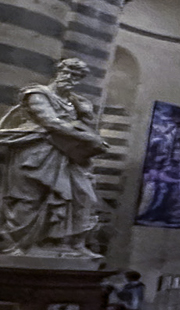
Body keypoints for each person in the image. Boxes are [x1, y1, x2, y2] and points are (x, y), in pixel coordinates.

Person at [0, 57, 108, 256]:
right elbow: (50, 122)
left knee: (84, 197)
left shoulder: (76, 102)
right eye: (66, 72)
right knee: (28, 201)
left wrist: (85, 115)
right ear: (58, 72)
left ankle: (71, 244)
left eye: (75, 75)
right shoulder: (37, 94)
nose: (69, 77)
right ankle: (15, 244)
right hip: (34, 153)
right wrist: (88, 138)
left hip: (66, 156)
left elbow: (83, 127)